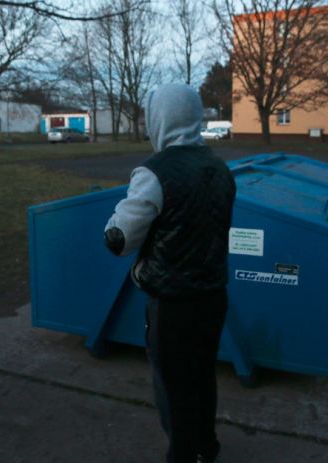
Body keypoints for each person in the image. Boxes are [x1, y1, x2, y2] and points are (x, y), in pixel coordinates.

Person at [104, 83, 236, 463]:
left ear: (159, 119)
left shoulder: (153, 172)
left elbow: (119, 239)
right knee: (202, 375)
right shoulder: (220, 169)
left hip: (173, 303)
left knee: (173, 386)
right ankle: (206, 446)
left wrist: (115, 220)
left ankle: (182, 455)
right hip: (213, 295)